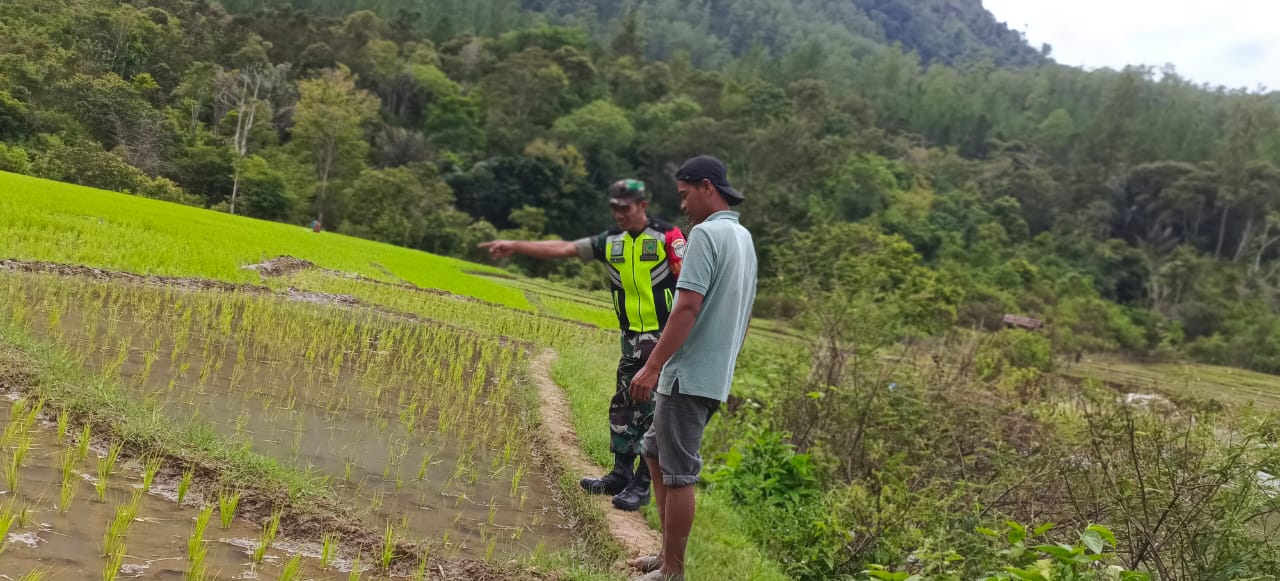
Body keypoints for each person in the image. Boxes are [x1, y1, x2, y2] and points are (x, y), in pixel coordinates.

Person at [478, 179, 686, 512]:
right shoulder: (611, 241)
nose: (619, 214)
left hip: (662, 338)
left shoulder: (668, 237)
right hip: (631, 337)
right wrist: (515, 245)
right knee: (624, 404)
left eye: (625, 207)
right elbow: (565, 249)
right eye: (614, 207)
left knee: (653, 412)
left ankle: (643, 484)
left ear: (642, 205)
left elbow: (690, 289)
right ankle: (620, 473)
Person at [627, 156, 756, 581]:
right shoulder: (743, 238)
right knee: (654, 452)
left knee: (679, 472)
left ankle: (673, 572)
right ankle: (666, 558)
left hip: (687, 375)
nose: (682, 206)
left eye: (685, 196)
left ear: (706, 187)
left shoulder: (706, 234)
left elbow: (687, 306)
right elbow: (745, 314)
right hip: (710, 374)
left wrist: (651, 367)